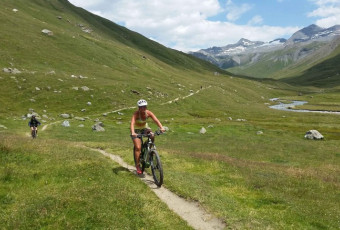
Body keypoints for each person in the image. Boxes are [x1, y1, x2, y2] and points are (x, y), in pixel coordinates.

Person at [130, 99, 165, 175]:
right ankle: (138, 166)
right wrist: (133, 132)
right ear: (138, 108)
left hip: (144, 129)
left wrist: (161, 127)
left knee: (152, 135)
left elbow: (156, 120)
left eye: (144, 107)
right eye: (141, 107)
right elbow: (132, 123)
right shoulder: (136, 114)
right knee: (138, 148)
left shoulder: (148, 113)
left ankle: (149, 148)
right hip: (136, 131)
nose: (143, 108)